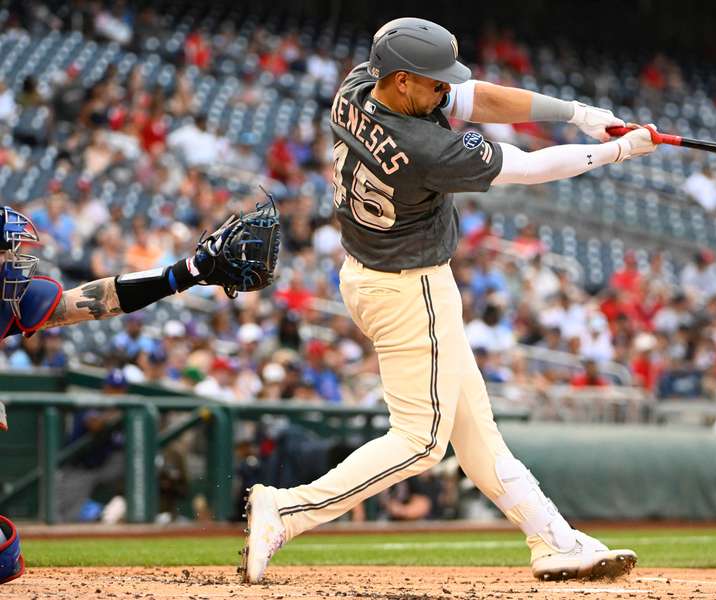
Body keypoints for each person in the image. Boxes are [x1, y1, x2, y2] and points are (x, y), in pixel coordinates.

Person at [240, 17, 657, 585]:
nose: (445, 90)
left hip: (369, 274)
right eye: (433, 82)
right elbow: (531, 167)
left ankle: (553, 540)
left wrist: (578, 114)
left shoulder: (359, 84)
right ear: (404, 81)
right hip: (410, 287)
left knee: (476, 433)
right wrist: (616, 152)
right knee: (421, 442)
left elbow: (476, 96)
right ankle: (288, 510)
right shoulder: (425, 148)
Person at [0, 200, 278, 584]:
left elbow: (99, 300)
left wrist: (186, 272)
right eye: (4, 252)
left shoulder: (9, 304)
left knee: (4, 557)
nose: (12, 261)